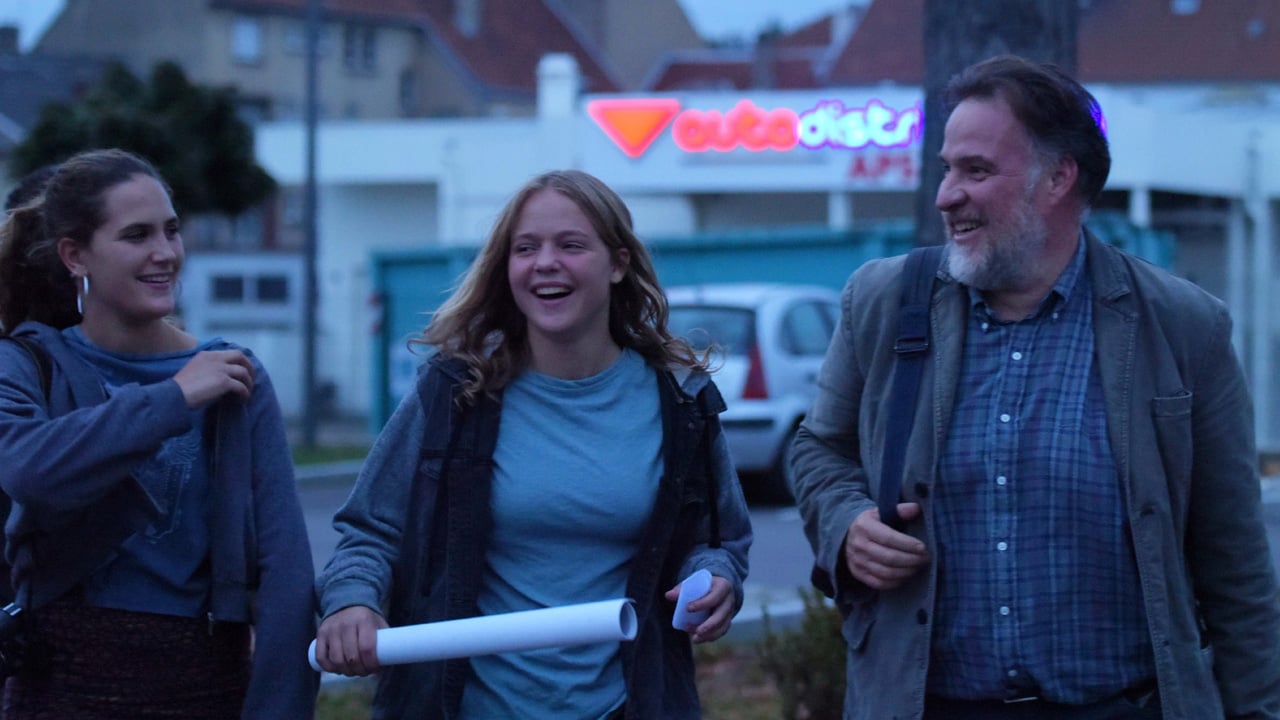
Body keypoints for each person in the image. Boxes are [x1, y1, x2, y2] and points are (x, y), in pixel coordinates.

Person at [791, 54, 1280, 720]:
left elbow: (1237, 568)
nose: (946, 196)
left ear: (1057, 178)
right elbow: (818, 450)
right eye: (946, 169)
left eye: (976, 171)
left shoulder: (1181, 326)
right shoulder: (885, 302)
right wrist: (846, 524)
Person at [313, 169, 752, 719]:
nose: (545, 262)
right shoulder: (455, 392)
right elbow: (370, 531)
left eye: (570, 245)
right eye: (526, 248)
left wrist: (713, 579)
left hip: (626, 706)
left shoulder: (681, 400)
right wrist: (351, 600)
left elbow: (719, 540)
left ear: (618, 264)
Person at [0, 148, 318, 718]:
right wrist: (174, 398)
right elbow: (28, 471)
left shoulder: (233, 374)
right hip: (57, 686)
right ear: (75, 255)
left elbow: (285, 570)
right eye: (137, 235)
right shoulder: (28, 363)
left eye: (171, 231)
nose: (165, 253)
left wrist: (280, 708)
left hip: (205, 685)